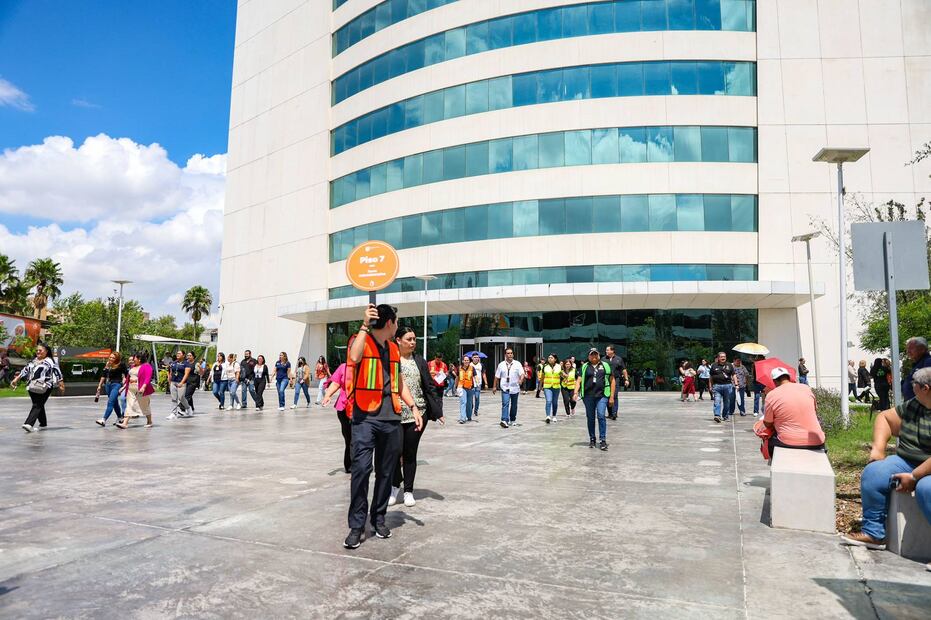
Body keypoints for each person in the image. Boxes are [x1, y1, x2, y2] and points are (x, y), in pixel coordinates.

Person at [343, 304, 422, 549]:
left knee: (386, 473)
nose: (397, 326)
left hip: (391, 418)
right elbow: (354, 358)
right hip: (365, 417)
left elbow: (399, 382)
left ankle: (378, 519)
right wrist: (364, 325)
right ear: (389, 323)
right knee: (361, 470)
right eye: (396, 322)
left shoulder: (393, 349)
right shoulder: (360, 340)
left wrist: (414, 407)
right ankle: (357, 526)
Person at [841, 366, 931, 553]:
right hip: (907, 460)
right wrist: (878, 450)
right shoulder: (916, 403)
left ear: (925, 388)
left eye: (914, 383)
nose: (911, 386)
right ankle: (874, 534)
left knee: (926, 489)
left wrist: (914, 477)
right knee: (874, 472)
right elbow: (885, 418)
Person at [389, 327, 444, 508]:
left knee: (410, 453)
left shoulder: (419, 361)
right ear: (398, 340)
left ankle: (408, 491)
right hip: (395, 413)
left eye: (414, 339)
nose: (412, 342)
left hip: (418, 413)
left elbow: (429, 386)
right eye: (409, 339)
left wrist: (437, 410)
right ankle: (395, 485)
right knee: (395, 452)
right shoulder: (391, 359)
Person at [761, 367, 825, 454]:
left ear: (774, 381)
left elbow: (768, 423)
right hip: (817, 440)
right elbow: (814, 411)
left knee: (767, 440)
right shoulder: (806, 388)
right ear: (789, 377)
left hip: (789, 441)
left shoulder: (772, 395)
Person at [11, 342, 65, 432]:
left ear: (46, 351)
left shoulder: (50, 361)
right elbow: (25, 370)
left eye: (40, 350)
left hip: (45, 386)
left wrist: (61, 383)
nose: (38, 352)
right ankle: (43, 423)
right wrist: (16, 379)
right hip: (32, 387)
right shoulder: (33, 361)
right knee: (39, 404)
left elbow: (57, 371)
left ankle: (29, 424)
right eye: (37, 350)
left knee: (37, 404)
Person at [574, 348, 614, 451]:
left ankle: (602, 440)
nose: (594, 356)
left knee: (601, 415)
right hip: (588, 396)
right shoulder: (584, 366)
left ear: (599, 355)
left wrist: (612, 396)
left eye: (596, 354)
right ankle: (592, 438)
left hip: (602, 395)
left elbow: (612, 380)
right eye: (592, 355)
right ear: (589, 356)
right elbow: (578, 380)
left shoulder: (605, 365)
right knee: (590, 418)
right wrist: (575, 392)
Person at [323, 362, 352, 473]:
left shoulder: (368, 366)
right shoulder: (344, 367)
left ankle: (358, 465)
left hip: (362, 409)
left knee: (359, 439)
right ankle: (350, 465)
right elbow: (335, 384)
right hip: (344, 408)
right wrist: (327, 395)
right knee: (349, 439)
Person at [116, 351, 155, 429]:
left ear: (139, 359)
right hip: (131, 389)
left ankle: (149, 421)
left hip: (140, 388)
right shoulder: (133, 366)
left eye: (134, 358)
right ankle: (125, 423)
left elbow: (148, 377)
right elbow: (128, 378)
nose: (133, 360)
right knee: (129, 405)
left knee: (144, 405)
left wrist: (143, 387)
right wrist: (123, 387)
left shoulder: (146, 366)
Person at [95, 351, 128, 427]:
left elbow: (127, 375)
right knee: (114, 402)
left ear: (117, 359)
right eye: (110, 357)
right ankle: (120, 418)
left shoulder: (121, 365)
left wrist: (124, 385)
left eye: (113, 357)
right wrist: (99, 386)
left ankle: (104, 419)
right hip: (108, 385)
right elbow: (103, 376)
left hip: (116, 385)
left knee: (110, 402)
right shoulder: (108, 365)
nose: (111, 359)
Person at [493, 347, 524, 428]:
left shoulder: (517, 364)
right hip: (505, 388)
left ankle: (512, 419)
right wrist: (494, 386)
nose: (510, 355)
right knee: (505, 404)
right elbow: (496, 377)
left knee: (514, 405)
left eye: (511, 353)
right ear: (505, 355)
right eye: (508, 353)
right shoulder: (501, 365)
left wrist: (521, 380)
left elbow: (522, 374)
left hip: (515, 388)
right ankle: (504, 420)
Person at [709, 352, 737, 423]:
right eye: (721, 357)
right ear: (718, 358)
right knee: (717, 401)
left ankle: (725, 416)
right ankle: (717, 415)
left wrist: (736, 384)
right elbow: (711, 377)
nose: (723, 358)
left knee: (727, 402)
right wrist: (710, 386)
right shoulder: (714, 365)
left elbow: (733, 375)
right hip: (717, 386)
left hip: (728, 386)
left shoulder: (729, 365)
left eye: (724, 356)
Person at [604, 345, 629, 420]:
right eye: (606, 350)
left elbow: (624, 370)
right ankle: (610, 413)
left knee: (614, 395)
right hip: (606, 379)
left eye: (607, 350)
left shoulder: (619, 359)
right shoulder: (603, 359)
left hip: (616, 379)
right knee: (607, 395)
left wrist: (626, 379)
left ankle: (614, 413)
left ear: (612, 351)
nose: (606, 351)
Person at [902, 337, 931, 401]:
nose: (908, 351)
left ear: (922, 349)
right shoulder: (917, 364)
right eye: (907, 349)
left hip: (922, 407)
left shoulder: (928, 362)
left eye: (911, 348)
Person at [167, 350, 192, 420]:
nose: (177, 354)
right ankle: (173, 413)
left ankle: (188, 408)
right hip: (173, 382)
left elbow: (186, 374)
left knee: (181, 397)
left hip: (181, 383)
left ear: (183, 355)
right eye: (177, 353)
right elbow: (170, 372)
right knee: (174, 398)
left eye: (179, 353)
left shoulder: (186, 364)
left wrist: (182, 382)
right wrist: (169, 380)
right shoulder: (173, 363)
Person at [541, 353, 561, 424]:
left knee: (555, 402)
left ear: (555, 359)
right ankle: (548, 416)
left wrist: (566, 377)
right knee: (548, 401)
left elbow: (562, 374)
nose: (550, 359)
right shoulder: (545, 366)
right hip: (547, 386)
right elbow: (542, 377)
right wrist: (541, 386)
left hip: (556, 386)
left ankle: (554, 416)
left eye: (551, 358)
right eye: (549, 357)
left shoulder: (559, 366)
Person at [457, 355, 475, 424]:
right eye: (465, 360)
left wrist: (478, 383)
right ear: (462, 361)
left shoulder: (472, 368)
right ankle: (462, 418)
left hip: (470, 388)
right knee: (463, 402)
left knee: (469, 403)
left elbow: (475, 376)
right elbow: (457, 378)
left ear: (469, 361)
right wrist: (456, 387)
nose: (466, 361)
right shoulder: (459, 368)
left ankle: (469, 416)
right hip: (461, 387)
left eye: (467, 360)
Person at [470, 353, 487, 419]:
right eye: (474, 357)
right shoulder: (469, 365)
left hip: (478, 384)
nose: (476, 358)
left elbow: (483, 374)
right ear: (472, 358)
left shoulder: (481, 365)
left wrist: (486, 383)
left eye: (477, 357)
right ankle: (470, 409)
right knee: (470, 398)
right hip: (471, 384)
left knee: (477, 397)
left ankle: (476, 410)